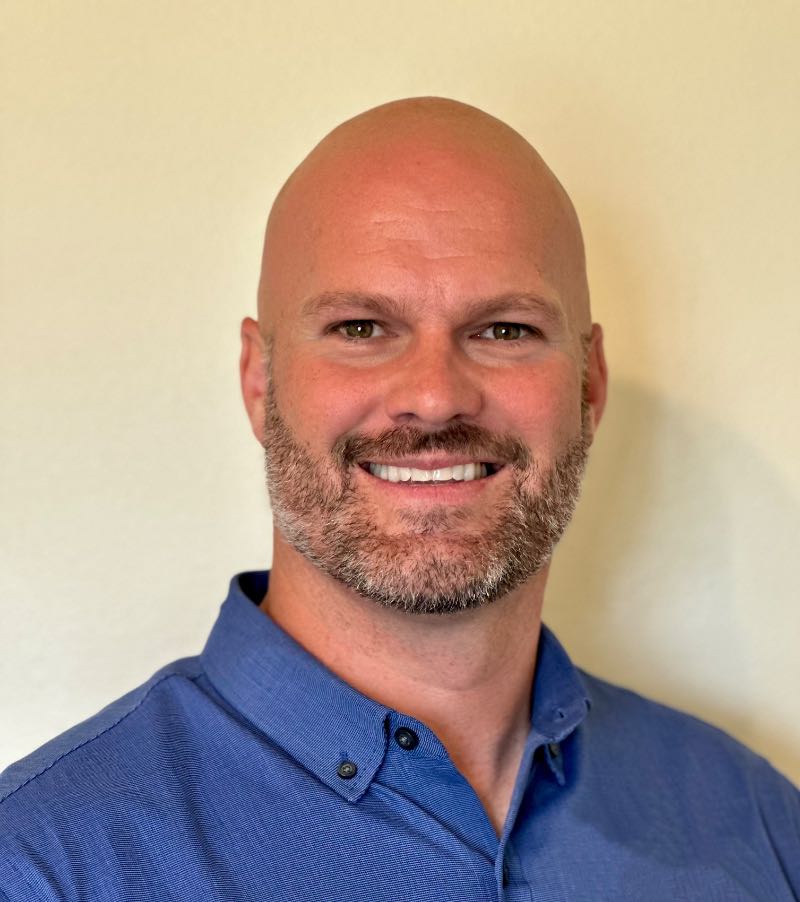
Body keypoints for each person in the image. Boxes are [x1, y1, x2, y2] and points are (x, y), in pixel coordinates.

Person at [0, 97, 797, 901]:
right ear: (259, 381)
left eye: (505, 330)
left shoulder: (761, 828)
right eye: (360, 328)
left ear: (588, 386)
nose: (435, 397)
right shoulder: (40, 867)